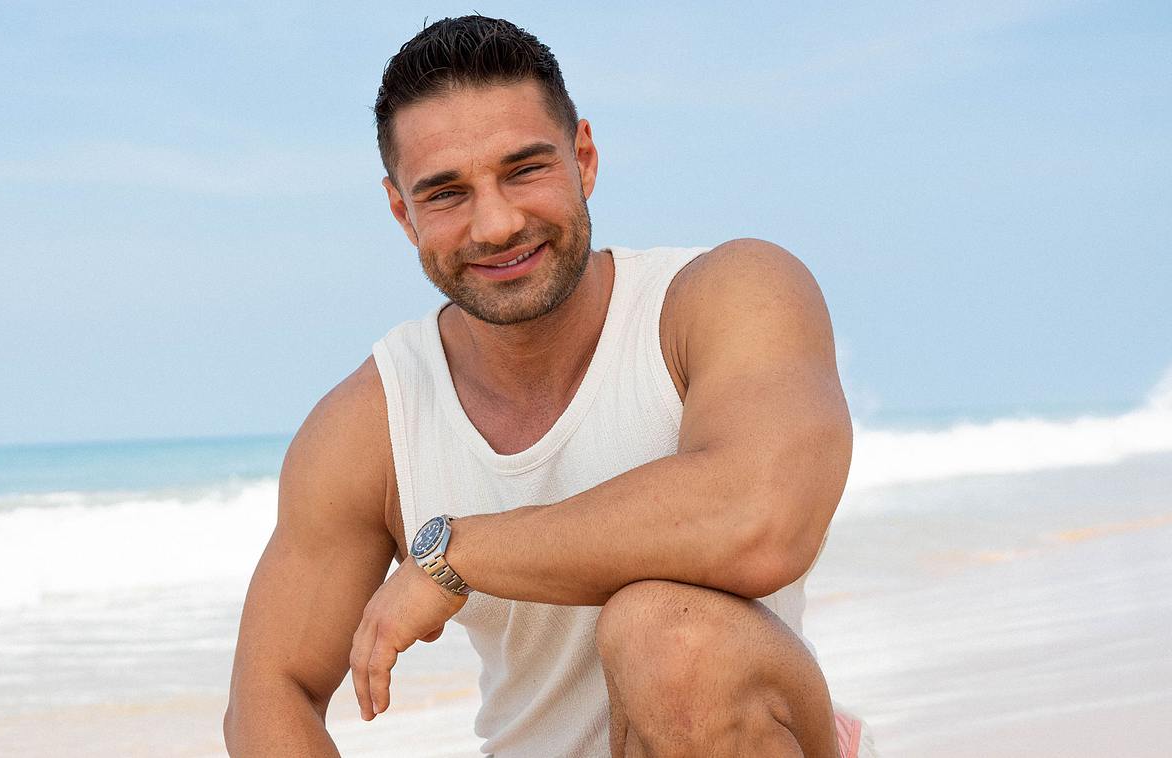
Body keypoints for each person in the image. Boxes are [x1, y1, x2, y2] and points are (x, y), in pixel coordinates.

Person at [225, 14, 873, 758]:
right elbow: (268, 693)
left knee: (670, 635)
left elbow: (762, 520)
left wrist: (457, 554)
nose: (496, 225)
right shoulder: (374, 422)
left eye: (525, 170)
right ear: (403, 213)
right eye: (446, 194)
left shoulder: (723, 298)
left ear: (583, 159)